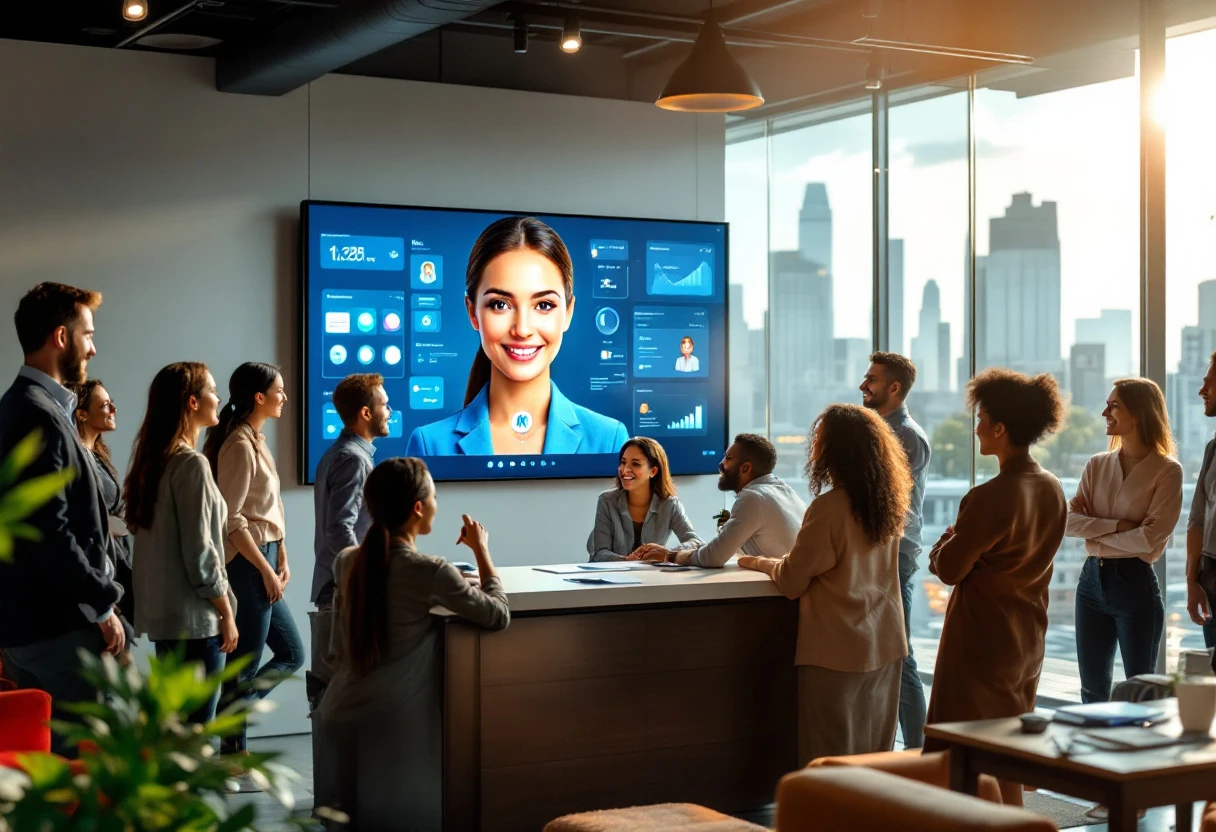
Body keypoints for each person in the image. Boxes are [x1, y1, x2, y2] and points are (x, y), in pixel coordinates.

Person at [314, 457, 510, 828]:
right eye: (434, 495)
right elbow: (497, 615)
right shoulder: (431, 571)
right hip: (392, 729)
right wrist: (481, 551)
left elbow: (336, 648)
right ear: (419, 507)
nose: (437, 502)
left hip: (339, 714)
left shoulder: (346, 561)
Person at [924, 368, 1066, 806]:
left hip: (980, 638)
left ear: (1000, 429)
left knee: (962, 750)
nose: (977, 428)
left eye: (981, 419)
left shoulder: (990, 496)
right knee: (1008, 749)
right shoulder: (1052, 487)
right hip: (1025, 634)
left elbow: (948, 568)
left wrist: (942, 545)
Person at [738, 405, 910, 764]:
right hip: (885, 641)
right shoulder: (888, 504)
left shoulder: (829, 507)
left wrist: (754, 561)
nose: (813, 445)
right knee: (876, 756)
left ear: (836, 449)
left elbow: (791, 579)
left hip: (837, 648)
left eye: (819, 438)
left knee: (829, 761)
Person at [0, 283, 124, 756]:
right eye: (87, 334)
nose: (93, 346)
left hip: (32, 627)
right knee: (86, 775)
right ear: (60, 337)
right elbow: (50, 530)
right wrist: (103, 605)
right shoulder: (36, 414)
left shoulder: (26, 407)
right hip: (58, 629)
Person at [405, 216, 629, 456]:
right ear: (472, 312)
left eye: (543, 305)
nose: (522, 329)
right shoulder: (429, 445)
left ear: (568, 313)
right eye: (500, 304)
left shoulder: (610, 440)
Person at [125, 362, 238, 725]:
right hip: (196, 621)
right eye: (213, 391)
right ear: (192, 402)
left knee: (175, 735)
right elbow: (201, 554)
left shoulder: (154, 463)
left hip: (167, 619)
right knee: (194, 737)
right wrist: (226, 611)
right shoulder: (191, 464)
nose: (219, 398)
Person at [204, 362, 305, 757]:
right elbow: (232, 518)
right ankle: (234, 748)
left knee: (292, 653)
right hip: (248, 564)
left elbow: (269, 509)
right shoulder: (239, 445)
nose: (285, 397)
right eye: (279, 390)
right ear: (259, 397)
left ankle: (230, 723)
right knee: (244, 664)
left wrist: (282, 556)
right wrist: (265, 568)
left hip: (264, 556)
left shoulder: (257, 440)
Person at [1066, 379, 1182, 703]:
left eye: (1113, 405)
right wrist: (1119, 525)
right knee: (1092, 692)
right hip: (1089, 583)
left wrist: (1096, 534)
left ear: (1139, 414)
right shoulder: (1096, 464)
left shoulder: (1167, 471)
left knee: (1141, 693)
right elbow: (1068, 522)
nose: (1104, 412)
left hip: (1135, 586)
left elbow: (1150, 540)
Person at [859, 352, 930, 749]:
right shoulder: (876, 431)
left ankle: (920, 753)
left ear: (894, 387)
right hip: (874, 552)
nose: (862, 385)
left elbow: (882, 501)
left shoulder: (905, 436)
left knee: (899, 654)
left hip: (894, 554)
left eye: (871, 379)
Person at [637, 434, 804, 567]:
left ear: (745, 468)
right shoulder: (785, 491)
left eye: (728, 458)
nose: (721, 464)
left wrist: (669, 555)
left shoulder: (753, 497)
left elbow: (713, 557)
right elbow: (723, 546)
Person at [313, 373, 392, 609]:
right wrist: (366, 575)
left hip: (341, 586)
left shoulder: (338, 453)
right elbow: (339, 529)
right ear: (366, 413)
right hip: (347, 590)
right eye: (385, 405)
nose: (389, 412)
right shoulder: (353, 460)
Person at [69, 378, 135, 625]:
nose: (113, 409)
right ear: (82, 414)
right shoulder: (76, 458)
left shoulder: (98, 455)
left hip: (118, 558)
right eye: (106, 405)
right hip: (101, 563)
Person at [588, 437, 702, 562]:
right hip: (611, 576)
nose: (625, 470)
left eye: (635, 464)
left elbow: (696, 542)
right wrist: (627, 560)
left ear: (653, 471)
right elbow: (599, 553)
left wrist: (667, 553)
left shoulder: (670, 504)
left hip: (650, 577)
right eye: (623, 462)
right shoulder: (607, 501)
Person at [1187, 352, 1216, 658]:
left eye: (1209, 382)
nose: (1202, 390)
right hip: (1211, 579)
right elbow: (1196, 518)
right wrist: (1192, 581)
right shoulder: (1213, 447)